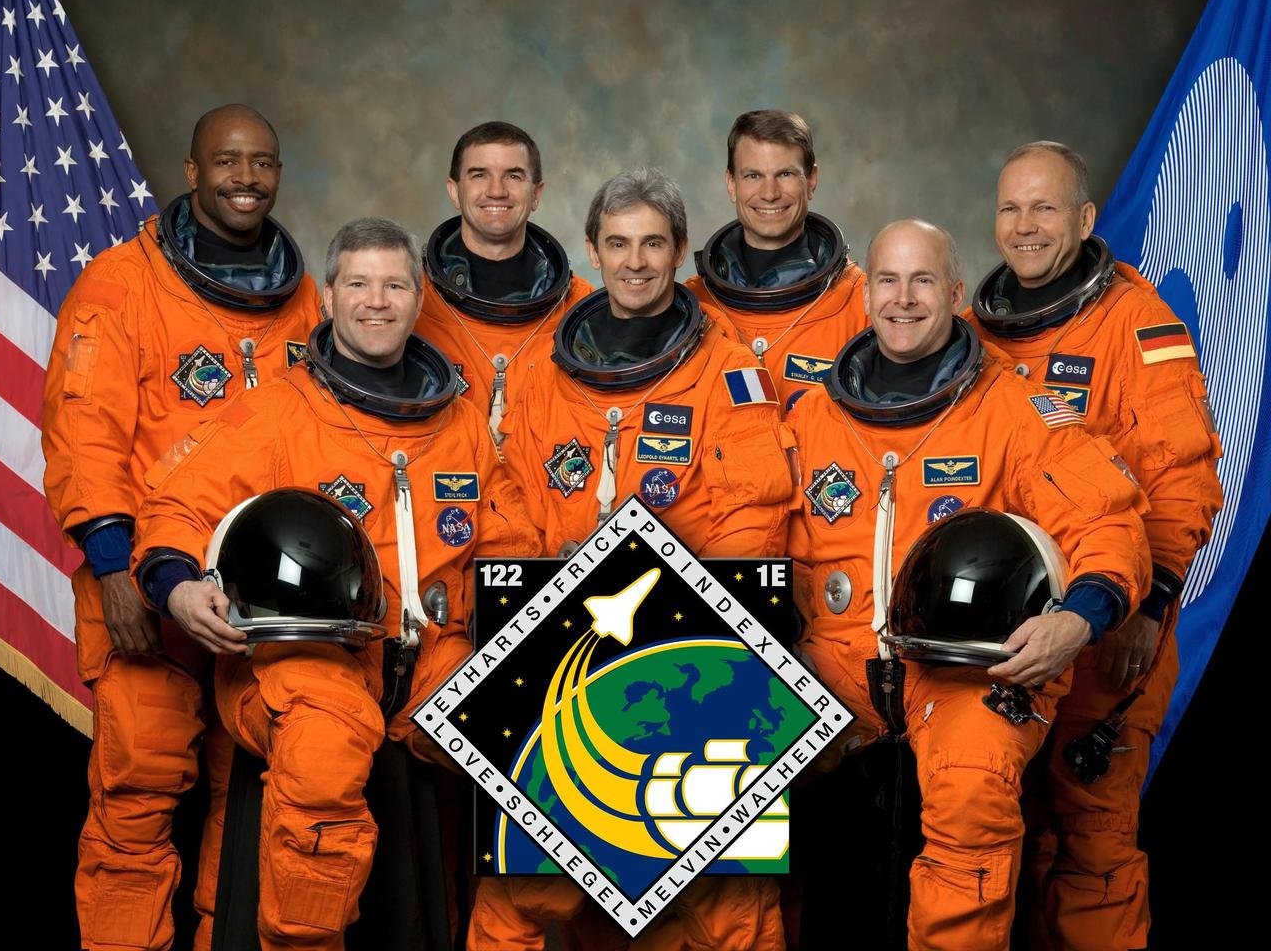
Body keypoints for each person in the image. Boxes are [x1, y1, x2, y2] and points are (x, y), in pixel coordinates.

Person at [130, 217, 540, 950]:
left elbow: (507, 541)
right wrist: (178, 588)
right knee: (327, 744)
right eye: (358, 283)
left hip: (429, 662)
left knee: (551, 732)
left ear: (420, 299)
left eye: (394, 284)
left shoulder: (463, 425)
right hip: (303, 662)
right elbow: (177, 506)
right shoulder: (278, 410)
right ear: (327, 298)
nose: (376, 301)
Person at [787, 218, 1151, 950]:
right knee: (711, 769)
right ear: (866, 297)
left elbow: (1106, 521)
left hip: (963, 667)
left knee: (971, 782)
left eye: (924, 281)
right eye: (887, 280)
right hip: (829, 665)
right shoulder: (811, 418)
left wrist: (1079, 618)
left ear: (956, 293)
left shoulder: (1014, 410)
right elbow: (745, 533)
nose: (904, 299)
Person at [469, 168, 794, 951]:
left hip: (694, 650)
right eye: (618, 243)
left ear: (681, 252)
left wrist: (678, 611)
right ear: (593, 250)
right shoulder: (547, 373)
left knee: (723, 903)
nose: (636, 262)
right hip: (559, 650)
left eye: (653, 243)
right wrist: (533, 605)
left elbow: (753, 517)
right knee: (523, 894)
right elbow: (508, 501)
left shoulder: (729, 373)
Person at [41, 104, 320, 951]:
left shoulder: (301, 296)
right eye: (228, 162)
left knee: (256, 801)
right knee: (140, 786)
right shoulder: (119, 286)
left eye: (262, 163)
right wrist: (117, 566)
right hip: (143, 585)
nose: (247, 178)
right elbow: (84, 432)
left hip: (257, 591)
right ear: (193, 171)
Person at [966, 142, 1222, 951]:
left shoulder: (1140, 329)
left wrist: (1147, 610)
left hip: (1108, 626)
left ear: (1083, 219)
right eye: (1011, 209)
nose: (1025, 226)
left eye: (1045, 208)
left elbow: (1182, 484)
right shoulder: (978, 332)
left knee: (1091, 841)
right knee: (1000, 838)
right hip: (1002, 635)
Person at [416, 121, 592, 442]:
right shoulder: (408, 300)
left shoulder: (580, 311)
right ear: (455, 191)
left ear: (536, 193)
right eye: (479, 174)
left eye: (513, 175)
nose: (496, 190)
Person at [687, 110, 867, 411]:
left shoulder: (862, 305)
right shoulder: (694, 306)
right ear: (731, 184)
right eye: (753, 175)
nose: (769, 193)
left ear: (811, 180)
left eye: (785, 174)